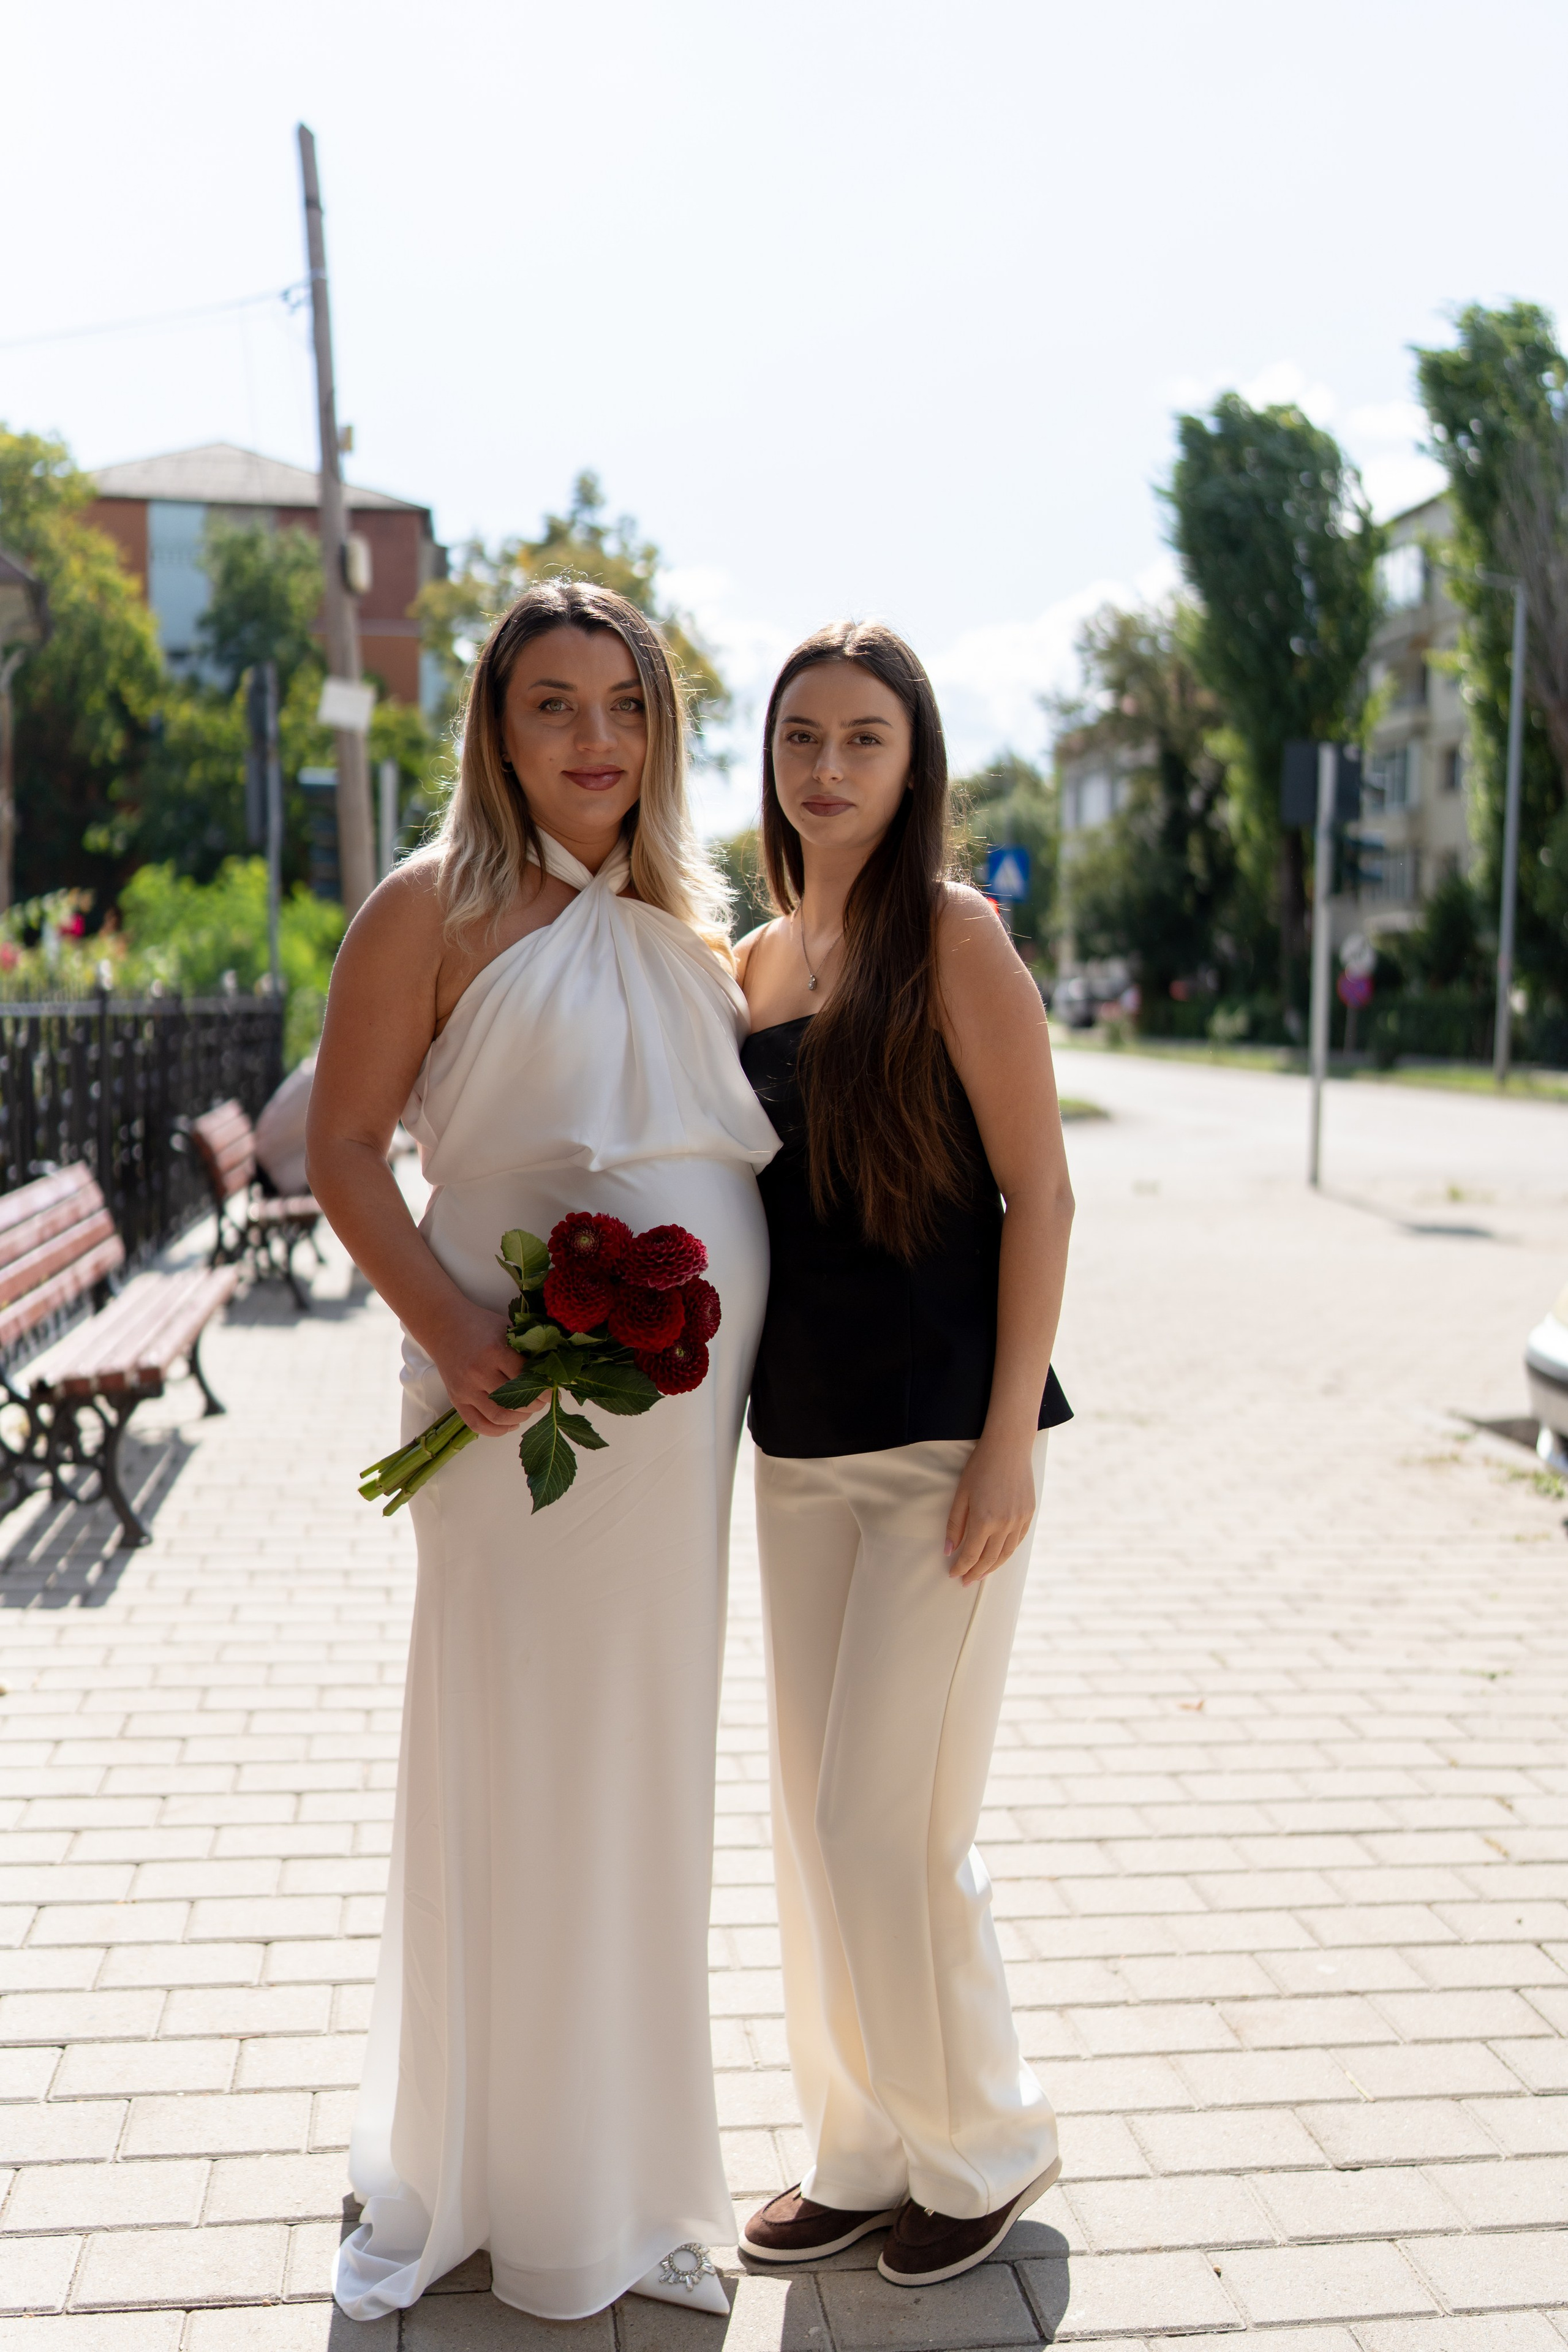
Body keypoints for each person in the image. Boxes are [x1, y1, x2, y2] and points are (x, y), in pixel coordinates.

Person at [307, 580, 777, 2324]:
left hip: (676, 1434)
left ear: (660, 730)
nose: (594, 741)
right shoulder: (427, 907)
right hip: (509, 1407)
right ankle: (495, 2170)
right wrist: (452, 1329)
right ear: (496, 732)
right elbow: (351, 1150)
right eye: (554, 706)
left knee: (648, 1765)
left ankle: (633, 2173)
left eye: (626, 708)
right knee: (513, 1747)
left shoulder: (688, 919)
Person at [734, 622, 1074, 2288]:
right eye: (803, 735)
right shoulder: (759, 962)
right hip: (795, 1443)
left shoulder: (956, 939)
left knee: (890, 1821)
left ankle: (985, 2144)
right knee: (816, 1822)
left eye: (864, 737)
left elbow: (1043, 1196)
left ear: (914, 758)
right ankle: (863, 2148)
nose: (829, 766)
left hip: (945, 1439)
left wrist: (1010, 1437)